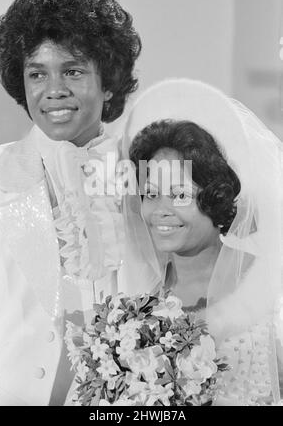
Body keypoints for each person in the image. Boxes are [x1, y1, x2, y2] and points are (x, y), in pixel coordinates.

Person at [0, 0, 141, 406]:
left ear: (109, 82)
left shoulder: (142, 177)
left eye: (73, 71)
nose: (54, 90)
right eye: (37, 73)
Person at [121, 78, 283, 405]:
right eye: (150, 194)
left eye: (179, 194)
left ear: (215, 195)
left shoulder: (271, 290)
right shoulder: (138, 294)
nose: (160, 211)